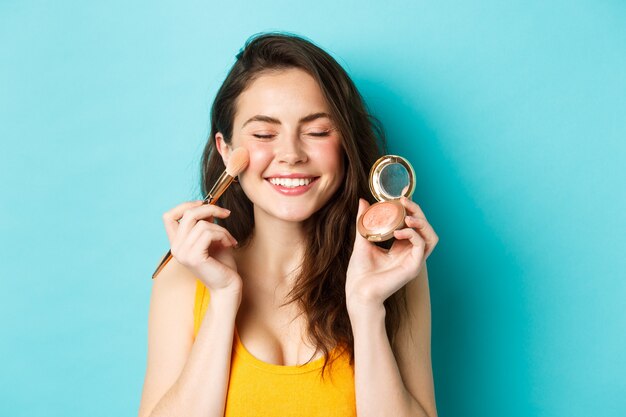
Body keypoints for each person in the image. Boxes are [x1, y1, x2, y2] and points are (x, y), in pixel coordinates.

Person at [138, 32, 439, 417]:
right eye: (264, 134)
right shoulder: (182, 278)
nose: (292, 155)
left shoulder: (397, 272)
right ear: (225, 150)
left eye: (317, 132)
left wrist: (367, 309)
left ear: (346, 144)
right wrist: (223, 299)